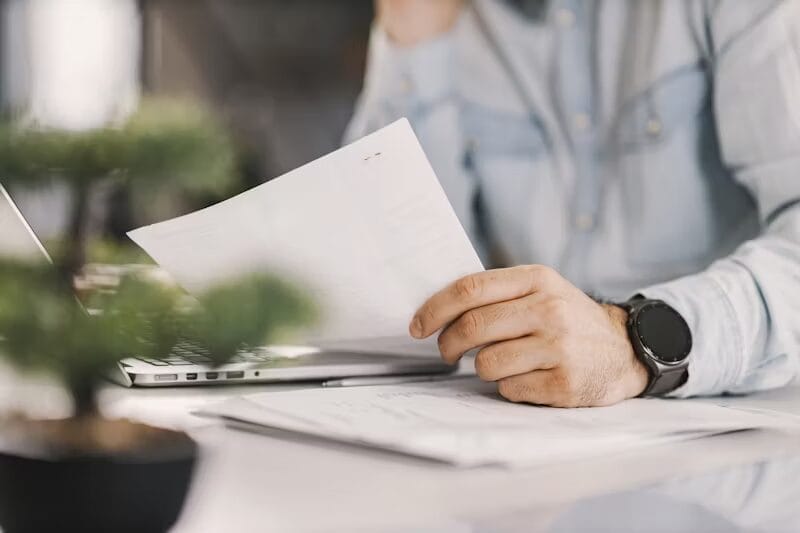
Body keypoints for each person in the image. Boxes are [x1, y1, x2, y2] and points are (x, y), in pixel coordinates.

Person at [346, 0, 800, 407]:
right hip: (530, 434)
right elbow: (396, 295)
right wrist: (413, 41)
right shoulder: (445, 21)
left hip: (740, 428)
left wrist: (629, 343)